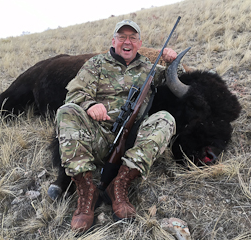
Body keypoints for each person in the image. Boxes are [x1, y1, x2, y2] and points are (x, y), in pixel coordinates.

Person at [55, 19, 184, 232]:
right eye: (122, 37)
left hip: (133, 141)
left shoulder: (150, 69)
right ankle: (87, 193)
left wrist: (172, 60)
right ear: (113, 40)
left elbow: (177, 79)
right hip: (96, 135)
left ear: (139, 44)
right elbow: (74, 93)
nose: (127, 41)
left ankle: (120, 183)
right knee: (66, 111)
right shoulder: (96, 64)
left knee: (166, 119)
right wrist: (90, 104)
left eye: (132, 38)